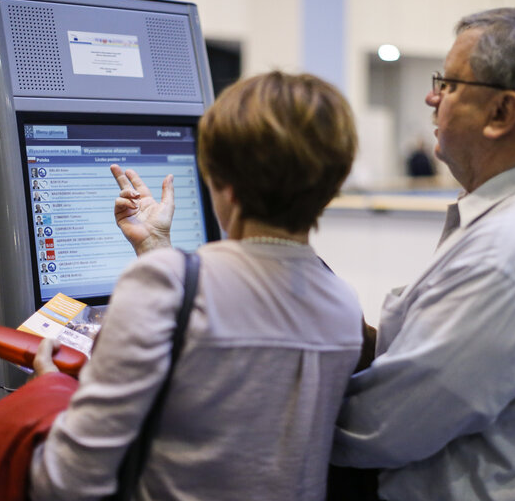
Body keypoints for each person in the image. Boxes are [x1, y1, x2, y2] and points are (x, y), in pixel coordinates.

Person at [29, 71, 363, 500]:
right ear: (332, 186)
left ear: (224, 183)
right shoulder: (342, 306)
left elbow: (65, 483)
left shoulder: (161, 284)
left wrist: (48, 394)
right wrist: (155, 246)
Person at [331, 8, 515, 501]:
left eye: (449, 85)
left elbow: (385, 429)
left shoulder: (511, 253)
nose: (431, 98)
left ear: (502, 113)